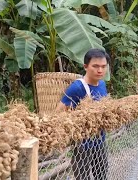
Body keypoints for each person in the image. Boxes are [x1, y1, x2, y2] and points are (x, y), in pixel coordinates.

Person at [56, 48, 110, 180]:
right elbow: (58, 112)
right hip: (82, 145)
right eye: (95, 66)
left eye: (103, 67)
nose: (100, 70)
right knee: (83, 177)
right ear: (85, 66)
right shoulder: (77, 87)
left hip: (100, 141)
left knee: (102, 175)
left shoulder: (102, 84)